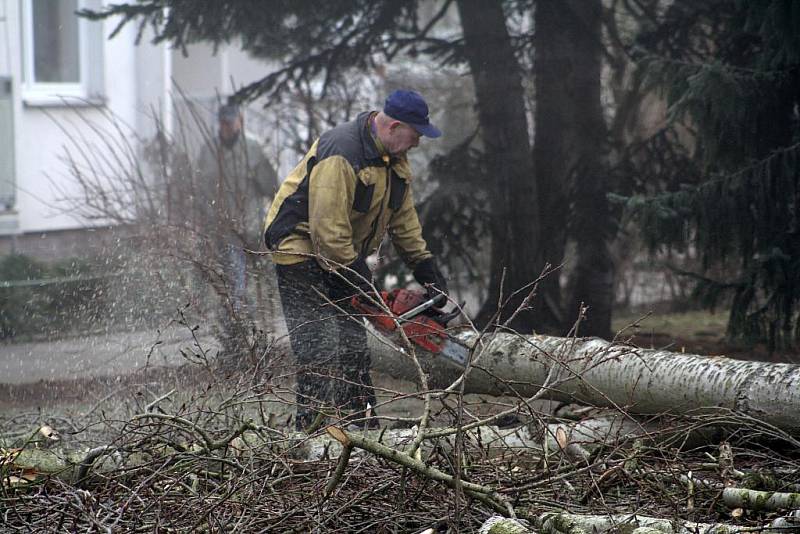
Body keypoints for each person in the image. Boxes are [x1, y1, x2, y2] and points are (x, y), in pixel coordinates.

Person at [263, 89, 449, 430]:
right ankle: (311, 429)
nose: (417, 143)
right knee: (315, 341)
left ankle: (361, 422)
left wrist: (426, 269)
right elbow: (327, 229)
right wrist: (363, 280)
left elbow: (403, 220)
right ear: (394, 127)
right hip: (299, 245)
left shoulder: (395, 162)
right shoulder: (343, 151)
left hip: (340, 253)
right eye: (415, 134)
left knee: (352, 339)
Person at [196, 102, 278, 356]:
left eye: (231, 122)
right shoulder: (209, 151)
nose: (227, 127)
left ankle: (267, 328)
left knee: (267, 277)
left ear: (239, 121)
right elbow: (200, 189)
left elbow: (271, 185)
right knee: (235, 283)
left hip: (253, 226)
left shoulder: (252, 148)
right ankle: (240, 335)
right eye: (223, 123)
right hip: (224, 230)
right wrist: (209, 219)